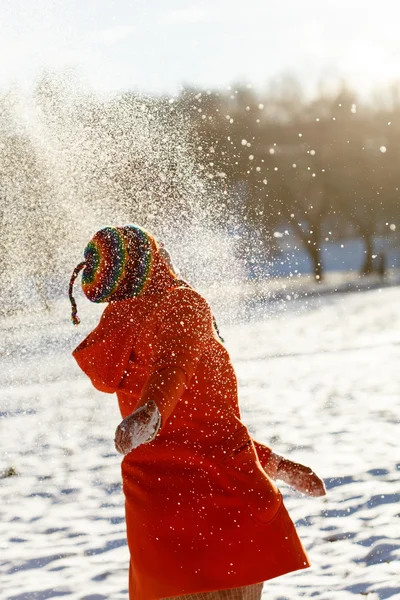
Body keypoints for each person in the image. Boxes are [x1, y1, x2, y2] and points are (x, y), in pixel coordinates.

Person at [70, 225, 326, 600]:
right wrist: (151, 410)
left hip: (156, 518)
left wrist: (279, 465)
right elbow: (175, 371)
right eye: (158, 249)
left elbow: (195, 418)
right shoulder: (180, 302)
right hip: (219, 500)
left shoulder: (120, 330)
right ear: (149, 263)